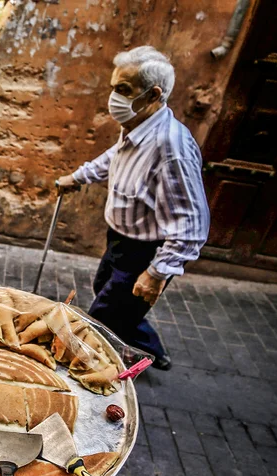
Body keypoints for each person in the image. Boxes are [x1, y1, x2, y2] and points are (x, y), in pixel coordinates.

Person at [56, 46, 210, 371]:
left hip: (145, 252)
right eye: (114, 87)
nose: (113, 96)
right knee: (108, 293)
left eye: (123, 90)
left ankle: (84, 373)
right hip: (119, 239)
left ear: (153, 94)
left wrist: (156, 274)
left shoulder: (172, 146)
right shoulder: (138, 126)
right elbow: (115, 157)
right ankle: (151, 347)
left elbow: (192, 226)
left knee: (102, 319)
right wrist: (78, 177)